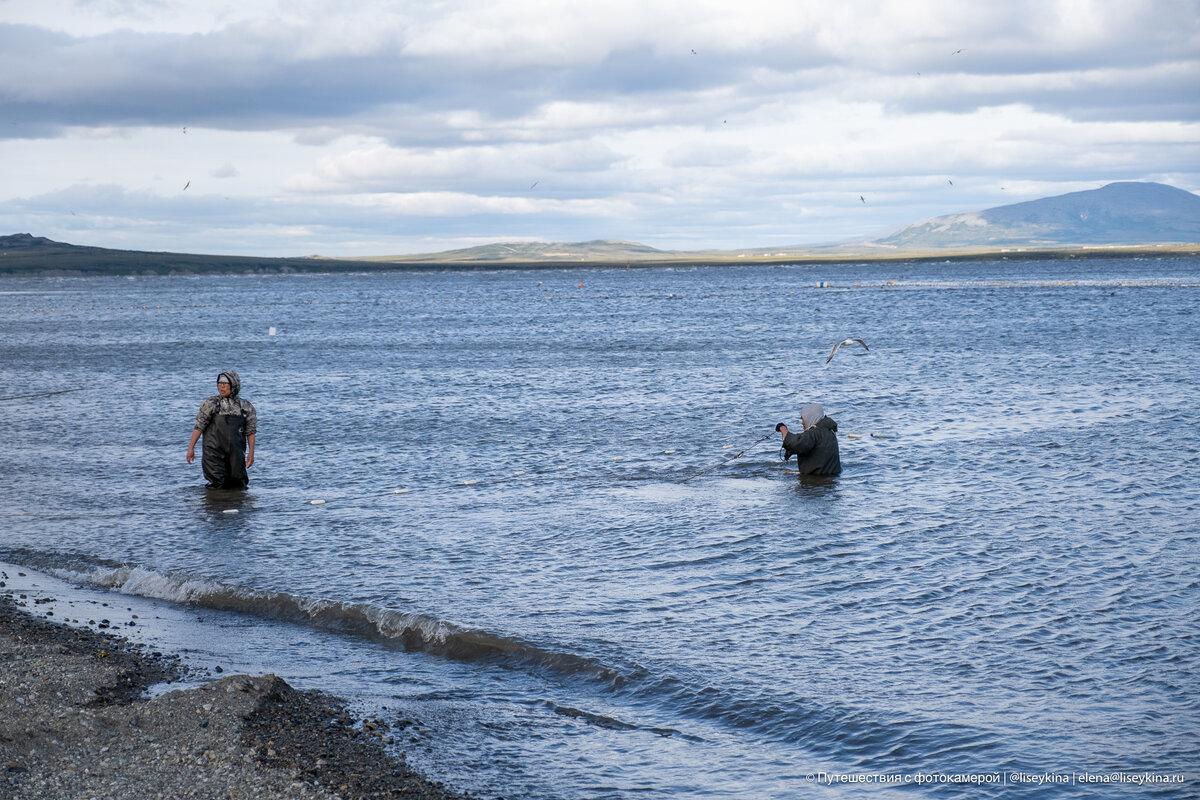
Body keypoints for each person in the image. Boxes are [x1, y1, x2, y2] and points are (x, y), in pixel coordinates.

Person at [186, 370, 256, 489]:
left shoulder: (246, 407)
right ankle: (215, 505)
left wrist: (251, 454)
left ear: (234, 385)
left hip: (236, 452)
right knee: (217, 483)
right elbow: (199, 427)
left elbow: (251, 432)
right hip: (213, 451)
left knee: (238, 483)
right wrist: (191, 448)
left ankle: (239, 506)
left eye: (225, 383)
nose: (222, 386)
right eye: (219, 383)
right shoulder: (211, 404)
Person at [776, 403, 841, 476]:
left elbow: (795, 444)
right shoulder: (829, 431)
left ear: (810, 417)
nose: (802, 422)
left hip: (817, 482)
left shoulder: (814, 433)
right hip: (832, 480)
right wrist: (790, 451)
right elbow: (809, 446)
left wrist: (783, 428)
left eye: (803, 419)